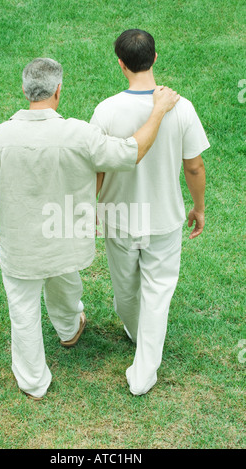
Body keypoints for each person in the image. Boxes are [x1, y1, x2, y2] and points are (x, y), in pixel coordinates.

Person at [0, 57, 179, 400]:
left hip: (21, 247)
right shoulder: (79, 133)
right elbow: (130, 153)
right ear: (58, 90)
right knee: (64, 276)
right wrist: (157, 110)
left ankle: (34, 382)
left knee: (23, 310)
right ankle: (69, 328)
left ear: (24, 90)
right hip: (64, 238)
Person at [91, 29, 210, 396]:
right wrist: (199, 207)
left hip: (118, 219)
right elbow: (194, 167)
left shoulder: (106, 110)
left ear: (121, 63)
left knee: (125, 289)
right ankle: (144, 372)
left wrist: (90, 210)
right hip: (164, 219)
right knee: (158, 293)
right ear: (155, 58)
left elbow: (96, 168)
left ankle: (136, 333)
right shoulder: (182, 107)